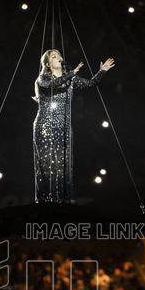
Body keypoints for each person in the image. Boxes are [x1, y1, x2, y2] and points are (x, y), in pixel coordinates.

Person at [32, 48, 115, 204]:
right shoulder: (42, 78)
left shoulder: (70, 78)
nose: (58, 59)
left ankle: (64, 201)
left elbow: (90, 84)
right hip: (44, 126)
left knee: (63, 164)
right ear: (48, 64)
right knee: (47, 163)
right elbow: (53, 84)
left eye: (59, 56)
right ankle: (44, 201)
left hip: (63, 126)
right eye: (54, 57)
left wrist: (101, 71)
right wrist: (72, 73)